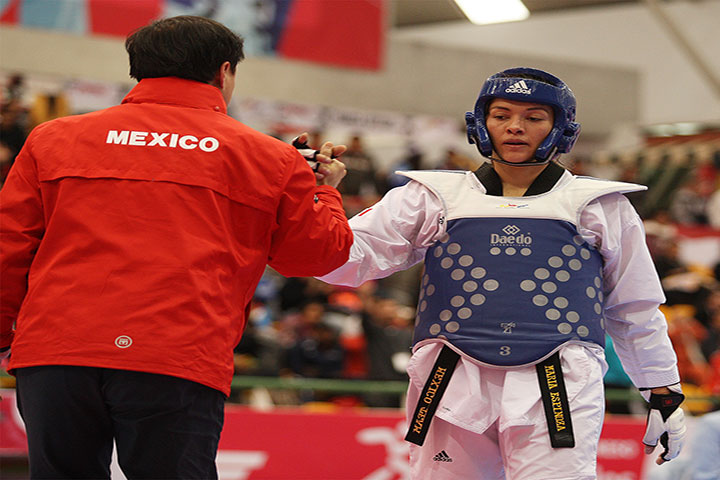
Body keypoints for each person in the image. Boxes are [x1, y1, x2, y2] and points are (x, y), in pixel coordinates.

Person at [0, 15, 352, 479]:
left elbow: (9, 246)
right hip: (177, 355)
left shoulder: (53, 138)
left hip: (56, 353)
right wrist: (322, 191)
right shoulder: (269, 157)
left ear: (138, 67)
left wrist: (5, 337)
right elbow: (316, 255)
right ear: (224, 72)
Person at [318, 67, 687, 479]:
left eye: (533, 117)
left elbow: (635, 308)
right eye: (501, 115)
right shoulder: (429, 198)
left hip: (557, 384)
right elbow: (341, 261)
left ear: (561, 127)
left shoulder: (600, 206)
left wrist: (663, 389)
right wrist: (313, 195)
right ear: (480, 121)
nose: (515, 127)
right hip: (451, 377)